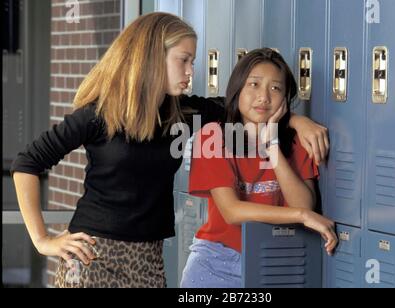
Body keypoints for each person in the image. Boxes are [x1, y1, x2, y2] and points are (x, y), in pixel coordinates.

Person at [11, 13, 329, 288]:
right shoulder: (99, 115)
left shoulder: (184, 112)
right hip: (93, 253)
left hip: (149, 257)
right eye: (184, 60)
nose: (192, 70)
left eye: (192, 61)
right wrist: (42, 240)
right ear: (152, 56)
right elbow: (28, 162)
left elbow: (244, 106)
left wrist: (297, 120)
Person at [180, 48, 338, 288]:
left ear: (285, 99)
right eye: (254, 84)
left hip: (275, 263)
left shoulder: (296, 142)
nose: (264, 96)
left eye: (275, 88)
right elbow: (232, 211)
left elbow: (303, 204)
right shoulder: (213, 138)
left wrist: (272, 145)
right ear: (238, 89)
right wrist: (302, 216)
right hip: (216, 265)